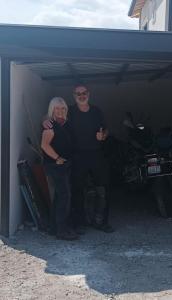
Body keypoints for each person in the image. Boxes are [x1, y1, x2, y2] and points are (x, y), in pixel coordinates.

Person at [44, 86, 114, 233]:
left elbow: (106, 129)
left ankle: (100, 221)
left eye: (84, 93)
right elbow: (53, 119)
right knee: (77, 190)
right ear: (74, 96)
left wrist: (104, 135)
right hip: (77, 156)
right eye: (78, 94)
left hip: (97, 154)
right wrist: (44, 121)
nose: (81, 96)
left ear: (89, 94)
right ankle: (79, 223)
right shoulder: (69, 111)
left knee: (102, 188)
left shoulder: (96, 111)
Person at [41, 97, 78, 240]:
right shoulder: (50, 125)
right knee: (65, 196)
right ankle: (62, 231)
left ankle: (53, 228)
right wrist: (57, 158)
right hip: (55, 165)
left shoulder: (65, 123)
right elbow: (44, 145)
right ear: (52, 109)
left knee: (59, 196)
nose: (60, 111)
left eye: (63, 108)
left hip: (64, 165)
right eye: (57, 108)